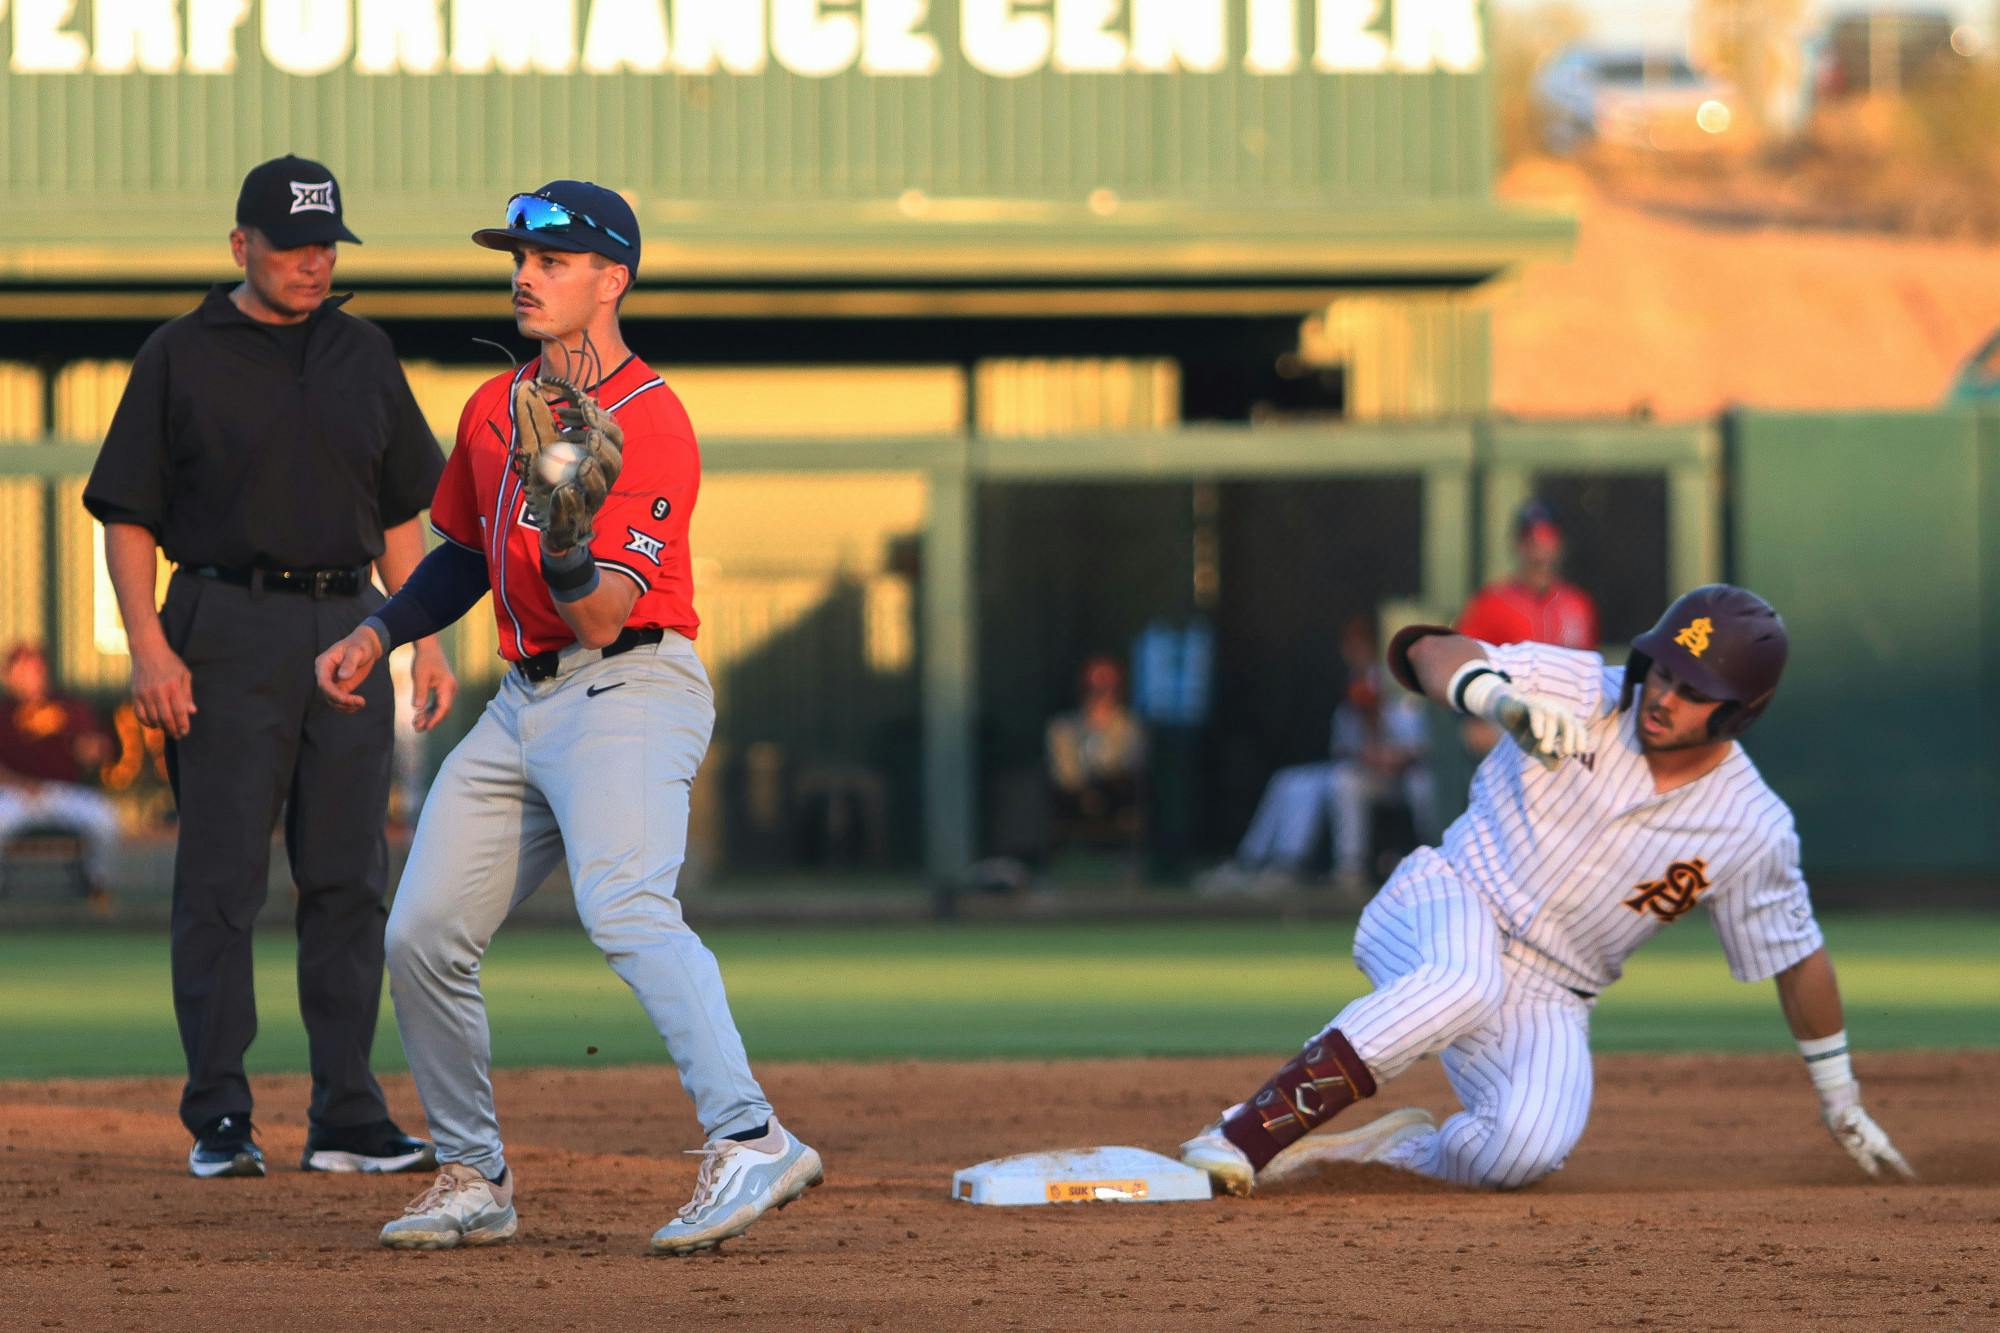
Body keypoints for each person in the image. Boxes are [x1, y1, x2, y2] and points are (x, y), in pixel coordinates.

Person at [312, 180, 822, 1255]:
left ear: (612, 279)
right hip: (521, 702)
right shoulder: (494, 406)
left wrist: (564, 532)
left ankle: (751, 1136)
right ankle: (474, 1175)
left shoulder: (652, 422)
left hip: (629, 685)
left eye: (552, 260)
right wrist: (381, 630)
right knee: (421, 933)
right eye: (519, 257)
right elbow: (457, 548)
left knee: (626, 908)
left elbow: (598, 612)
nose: (524, 274)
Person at [1179, 585, 1913, 1195]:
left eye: (1694, 692)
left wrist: (1839, 1096)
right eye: (1660, 670)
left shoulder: (1751, 826)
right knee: (1460, 980)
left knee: (1525, 1146)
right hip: (1446, 897)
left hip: (1553, 990)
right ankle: (1243, 1134)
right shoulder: (1586, 688)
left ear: (1739, 712)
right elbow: (1422, 649)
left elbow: (1797, 956)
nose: (1662, 696)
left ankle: (1374, 1150)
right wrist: (1499, 700)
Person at [83, 155, 453, 1180]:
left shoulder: (363, 351)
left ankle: (346, 1113)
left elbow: (397, 513)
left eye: (325, 244)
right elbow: (126, 516)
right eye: (291, 245)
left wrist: (423, 635)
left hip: (349, 624)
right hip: (222, 623)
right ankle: (221, 1116)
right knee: (222, 880)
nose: (311, 261)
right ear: (238, 244)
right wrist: (148, 646)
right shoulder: (179, 353)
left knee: (347, 878)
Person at [1455, 501, 1600, 757]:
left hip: (1569, 721)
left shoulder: (1578, 604)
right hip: (1510, 722)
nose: (1540, 552)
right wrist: (1472, 719)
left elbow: (1589, 674)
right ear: (1518, 546)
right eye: (1532, 542)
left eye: (1547, 541)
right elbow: (1461, 662)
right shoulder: (1491, 602)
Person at [0, 644, 119, 915]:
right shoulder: (3, 714)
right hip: (15, 795)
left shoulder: (70, 708)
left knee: (105, 818)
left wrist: (92, 750)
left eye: (35, 669)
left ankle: (97, 888)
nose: (30, 677)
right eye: (22, 671)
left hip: (64, 793)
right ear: (9, 676)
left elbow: (99, 750)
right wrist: (19, 785)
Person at [1327, 674, 1433, 897]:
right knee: (1345, 781)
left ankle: (1433, 850)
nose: (1367, 710)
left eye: (1370, 703)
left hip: (1403, 780)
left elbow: (1422, 751)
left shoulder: (1402, 713)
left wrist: (1395, 759)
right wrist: (1370, 758)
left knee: (1421, 784)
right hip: (1372, 780)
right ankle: (1351, 867)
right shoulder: (1348, 715)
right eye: (1362, 705)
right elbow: (1341, 752)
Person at [1045, 656, 1148, 845]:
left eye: (1106, 686)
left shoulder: (1130, 727)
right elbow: (1065, 775)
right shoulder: (1062, 727)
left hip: (1117, 801)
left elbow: (1129, 766)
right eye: (1093, 686)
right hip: (1074, 804)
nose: (1100, 693)